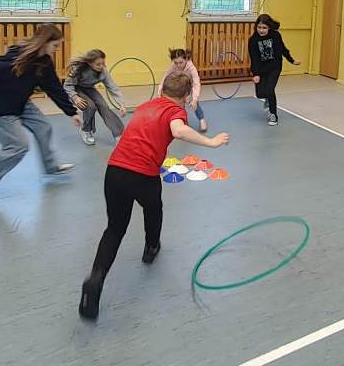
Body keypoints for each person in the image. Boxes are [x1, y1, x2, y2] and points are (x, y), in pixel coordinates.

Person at [78, 72, 230, 320]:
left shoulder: (146, 106)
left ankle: (95, 279)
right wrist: (211, 142)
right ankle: (151, 247)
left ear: (162, 91)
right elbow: (178, 131)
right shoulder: (176, 111)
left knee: (114, 229)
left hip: (114, 170)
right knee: (153, 207)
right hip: (142, 174)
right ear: (186, 96)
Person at [0, 24, 81, 202]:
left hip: (21, 103)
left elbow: (54, 88)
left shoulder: (44, 62)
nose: (57, 49)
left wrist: (71, 112)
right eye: (55, 45)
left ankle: (51, 167)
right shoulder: (15, 57)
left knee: (43, 127)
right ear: (44, 42)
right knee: (18, 147)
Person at [64, 49, 126, 145]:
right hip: (75, 89)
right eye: (98, 64)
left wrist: (121, 104)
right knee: (90, 106)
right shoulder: (78, 69)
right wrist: (75, 97)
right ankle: (86, 130)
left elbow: (113, 87)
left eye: (103, 63)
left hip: (89, 88)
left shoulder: (103, 72)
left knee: (103, 105)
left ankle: (118, 134)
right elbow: (67, 85)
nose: (101, 66)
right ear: (89, 63)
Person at [248, 13, 300, 126]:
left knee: (270, 89)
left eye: (264, 28)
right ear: (256, 27)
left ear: (269, 27)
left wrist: (291, 60)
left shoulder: (275, 36)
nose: (261, 30)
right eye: (259, 27)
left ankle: (273, 114)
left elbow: (283, 49)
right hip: (261, 69)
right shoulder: (253, 40)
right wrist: (256, 74)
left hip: (274, 67)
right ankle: (267, 98)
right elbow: (254, 58)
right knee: (260, 94)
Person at [160, 48, 207, 132]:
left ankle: (201, 119)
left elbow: (196, 83)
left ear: (186, 59)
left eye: (181, 62)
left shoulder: (191, 68)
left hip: (190, 86)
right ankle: (183, 121)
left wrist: (195, 99)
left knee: (194, 103)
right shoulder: (173, 66)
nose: (178, 65)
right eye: (176, 63)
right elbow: (165, 78)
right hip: (179, 86)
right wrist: (160, 91)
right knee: (179, 104)